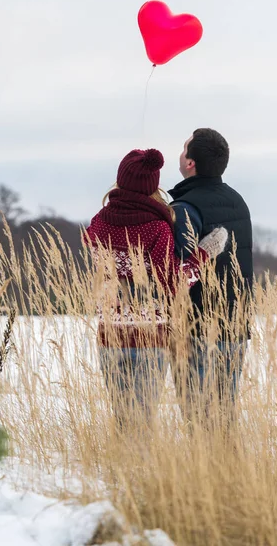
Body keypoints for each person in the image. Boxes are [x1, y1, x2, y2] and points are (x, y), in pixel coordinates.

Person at [85, 148, 227, 429]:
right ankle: (138, 471)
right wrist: (205, 252)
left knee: (124, 422)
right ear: (152, 187)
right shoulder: (156, 228)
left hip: (109, 336)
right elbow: (174, 284)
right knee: (142, 423)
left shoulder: (98, 223)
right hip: (148, 338)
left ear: (120, 180)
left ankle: (121, 470)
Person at [168, 128, 253, 420]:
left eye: (184, 148)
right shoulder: (237, 201)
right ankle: (228, 467)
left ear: (190, 163)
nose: (180, 153)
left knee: (199, 419)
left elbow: (176, 276)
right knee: (223, 416)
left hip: (196, 329)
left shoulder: (183, 207)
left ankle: (205, 467)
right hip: (235, 325)